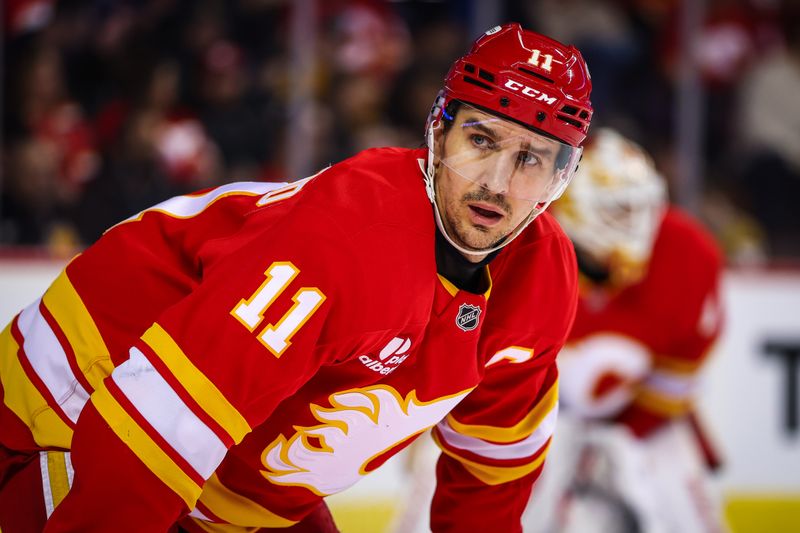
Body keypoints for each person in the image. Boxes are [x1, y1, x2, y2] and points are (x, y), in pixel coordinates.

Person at [0, 23, 592, 533]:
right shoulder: (348, 240)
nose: (496, 182)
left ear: (561, 178)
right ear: (439, 131)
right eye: (480, 140)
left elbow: (491, 477)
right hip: (64, 418)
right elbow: (160, 427)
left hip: (222, 485)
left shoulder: (542, 283)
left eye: (531, 159)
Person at [523, 129, 726, 533]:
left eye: (641, 209)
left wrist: (620, 438)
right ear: (572, 206)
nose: (634, 227)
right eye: (617, 212)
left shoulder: (687, 254)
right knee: (443, 492)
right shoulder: (520, 244)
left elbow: (672, 381)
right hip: (518, 413)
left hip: (638, 416)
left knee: (687, 515)